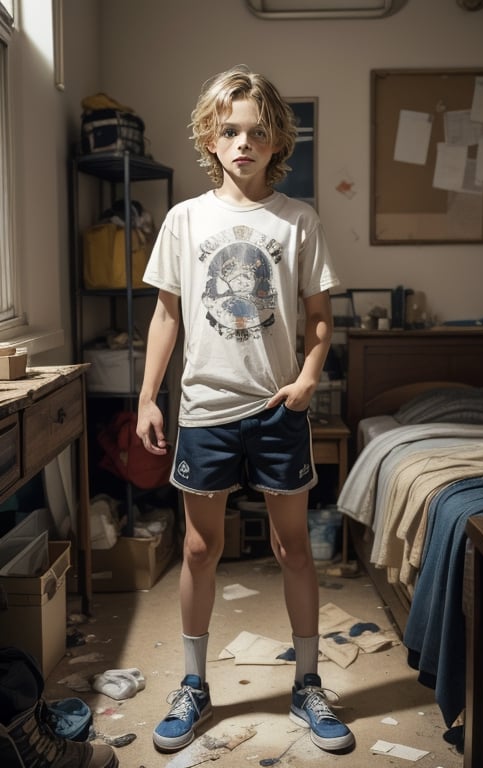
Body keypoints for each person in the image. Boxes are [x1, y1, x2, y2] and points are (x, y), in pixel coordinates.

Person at [136, 64, 355, 755]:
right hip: (204, 410)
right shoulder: (184, 219)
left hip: (277, 408)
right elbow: (166, 316)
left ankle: (309, 683)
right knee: (201, 549)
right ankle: (196, 685)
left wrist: (309, 378)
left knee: (295, 550)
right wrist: (148, 395)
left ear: (276, 141)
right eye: (229, 130)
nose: (242, 143)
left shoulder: (298, 221)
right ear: (209, 134)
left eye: (257, 132)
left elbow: (320, 319)